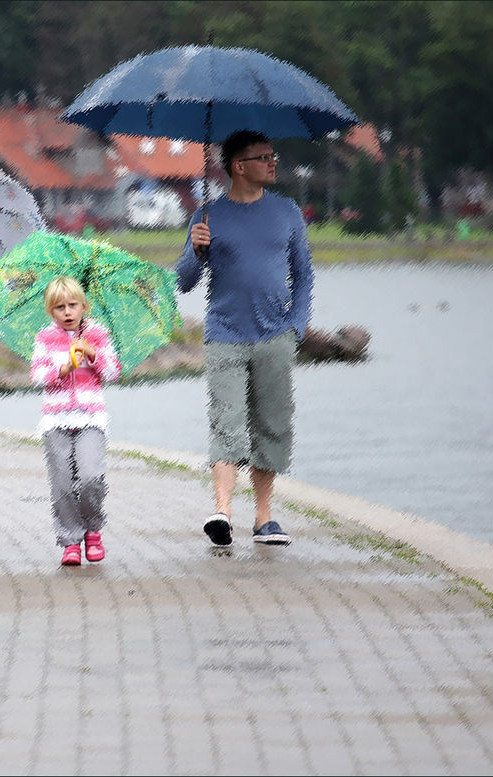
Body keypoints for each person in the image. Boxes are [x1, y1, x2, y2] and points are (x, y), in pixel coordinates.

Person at [176, 130, 313, 546]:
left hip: (275, 336)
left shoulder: (287, 212)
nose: (273, 162)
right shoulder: (207, 216)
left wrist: (297, 327)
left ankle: (265, 518)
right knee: (227, 423)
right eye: (264, 157)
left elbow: (303, 276)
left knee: (271, 426)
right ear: (239, 166)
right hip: (225, 337)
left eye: (273, 155)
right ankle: (222, 510)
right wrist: (195, 250)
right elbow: (183, 282)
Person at [30, 277, 121, 566]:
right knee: (63, 484)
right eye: (59, 308)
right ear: (50, 311)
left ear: (84, 306)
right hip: (56, 418)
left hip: (90, 417)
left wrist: (93, 356)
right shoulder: (45, 338)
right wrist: (63, 367)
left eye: (72, 306)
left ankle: (93, 529)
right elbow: (38, 377)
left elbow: (112, 372)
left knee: (91, 476)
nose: (67, 312)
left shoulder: (98, 334)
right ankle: (70, 540)